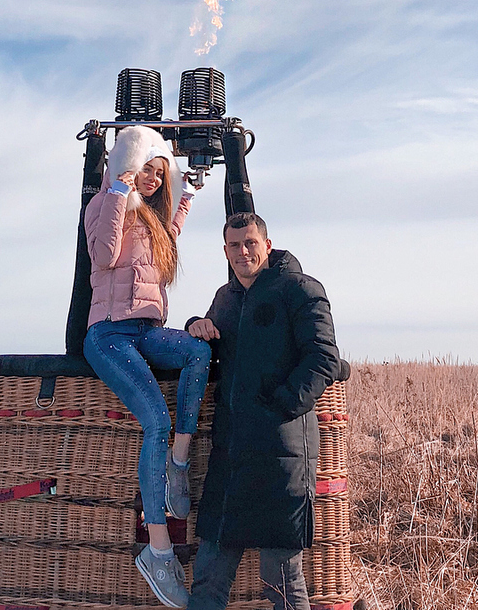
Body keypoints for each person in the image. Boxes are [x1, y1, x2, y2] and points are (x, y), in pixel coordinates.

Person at [186, 212, 345, 610]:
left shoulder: (300, 289)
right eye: (235, 245)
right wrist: (195, 324)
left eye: (251, 243)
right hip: (232, 457)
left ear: (267, 246)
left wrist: (281, 405)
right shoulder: (225, 298)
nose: (243, 252)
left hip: (282, 456)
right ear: (225, 251)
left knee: (282, 584)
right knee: (207, 577)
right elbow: (213, 342)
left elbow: (324, 357)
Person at [84, 125, 211, 610]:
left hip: (146, 330)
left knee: (198, 352)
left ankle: (179, 464)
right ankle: (158, 550)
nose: (153, 180)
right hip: (110, 334)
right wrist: (119, 188)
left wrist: (188, 196)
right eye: (147, 171)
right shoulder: (104, 205)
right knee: (154, 421)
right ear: (129, 169)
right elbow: (103, 255)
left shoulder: (156, 223)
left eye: (161, 173)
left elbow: (172, 233)